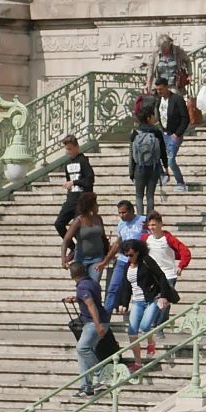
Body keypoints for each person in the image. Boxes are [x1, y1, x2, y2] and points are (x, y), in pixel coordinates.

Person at [115, 239, 176, 373]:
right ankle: (138, 362)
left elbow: (161, 277)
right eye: (126, 255)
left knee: (144, 326)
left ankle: (151, 343)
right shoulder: (127, 266)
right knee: (132, 332)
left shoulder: (146, 261)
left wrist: (164, 296)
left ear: (138, 252)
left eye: (131, 255)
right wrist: (123, 303)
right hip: (137, 301)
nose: (129, 258)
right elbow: (126, 286)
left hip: (153, 299)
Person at [139, 211, 190, 339]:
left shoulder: (168, 238)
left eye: (154, 225)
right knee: (154, 302)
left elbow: (185, 251)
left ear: (160, 224)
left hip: (168, 274)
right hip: (153, 276)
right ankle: (151, 325)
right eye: (149, 225)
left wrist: (181, 265)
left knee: (164, 302)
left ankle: (159, 328)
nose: (151, 228)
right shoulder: (145, 238)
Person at [63, 262, 110, 398]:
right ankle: (86, 387)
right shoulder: (92, 283)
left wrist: (97, 325)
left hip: (93, 323)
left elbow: (91, 305)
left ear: (72, 275)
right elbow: (90, 299)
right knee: (82, 353)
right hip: (97, 321)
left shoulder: (82, 287)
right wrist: (76, 299)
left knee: (82, 348)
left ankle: (101, 375)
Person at [95, 200, 147, 314]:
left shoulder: (143, 221)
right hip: (123, 260)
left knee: (141, 289)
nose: (121, 215)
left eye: (124, 212)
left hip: (139, 261)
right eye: (119, 213)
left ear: (131, 211)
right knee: (113, 288)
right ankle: (105, 319)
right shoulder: (121, 224)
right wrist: (105, 261)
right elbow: (117, 243)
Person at [54, 135, 95, 263]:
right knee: (59, 223)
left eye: (70, 149)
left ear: (76, 147)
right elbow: (69, 180)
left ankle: (83, 252)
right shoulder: (68, 164)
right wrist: (69, 185)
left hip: (82, 200)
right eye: (67, 149)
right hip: (71, 199)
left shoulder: (83, 161)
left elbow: (89, 180)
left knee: (78, 228)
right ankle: (74, 247)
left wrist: (75, 182)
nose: (68, 152)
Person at [129, 95, 168, 216]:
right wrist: (165, 167)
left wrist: (131, 172)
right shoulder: (156, 132)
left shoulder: (135, 133)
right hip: (154, 167)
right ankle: (150, 218)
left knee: (139, 195)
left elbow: (131, 154)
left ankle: (140, 219)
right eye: (153, 115)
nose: (154, 118)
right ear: (149, 117)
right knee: (150, 195)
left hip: (139, 168)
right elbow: (162, 152)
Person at [61, 192, 109, 283]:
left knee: (94, 283)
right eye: (96, 204)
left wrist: (107, 252)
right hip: (81, 259)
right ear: (90, 206)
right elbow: (66, 240)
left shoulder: (98, 219)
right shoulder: (78, 221)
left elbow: (103, 237)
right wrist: (64, 258)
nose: (98, 207)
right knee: (83, 285)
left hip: (97, 258)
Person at [155, 77, 189, 192]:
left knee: (171, 160)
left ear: (167, 87)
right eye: (157, 90)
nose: (159, 92)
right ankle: (163, 175)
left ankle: (180, 182)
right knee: (156, 155)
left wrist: (178, 133)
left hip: (174, 135)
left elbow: (185, 118)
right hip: (163, 133)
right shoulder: (159, 100)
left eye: (161, 89)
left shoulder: (177, 99)